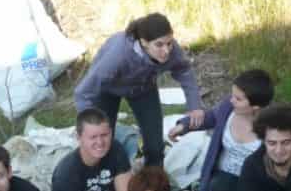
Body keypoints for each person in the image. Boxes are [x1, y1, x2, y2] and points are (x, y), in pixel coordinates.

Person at [74, 12, 204, 168]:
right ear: (144, 42)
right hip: (107, 89)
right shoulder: (118, 56)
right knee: (102, 139)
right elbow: (84, 92)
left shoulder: (171, 50)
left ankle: (154, 180)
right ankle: (105, 175)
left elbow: (184, 71)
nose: (166, 50)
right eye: (159, 45)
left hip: (143, 88)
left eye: (169, 43)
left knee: (155, 145)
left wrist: (195, 105)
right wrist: (87, 124)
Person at [169, 69, 274, 191]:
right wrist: (184, 126)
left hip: (255, 185)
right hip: (223, 180)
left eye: (239, 99)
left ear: (255, 107)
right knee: (218, 187)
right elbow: (210, 117)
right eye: (232, 95)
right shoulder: (228, 108)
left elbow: (269, 180)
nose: (232, 101)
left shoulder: (272, 129)